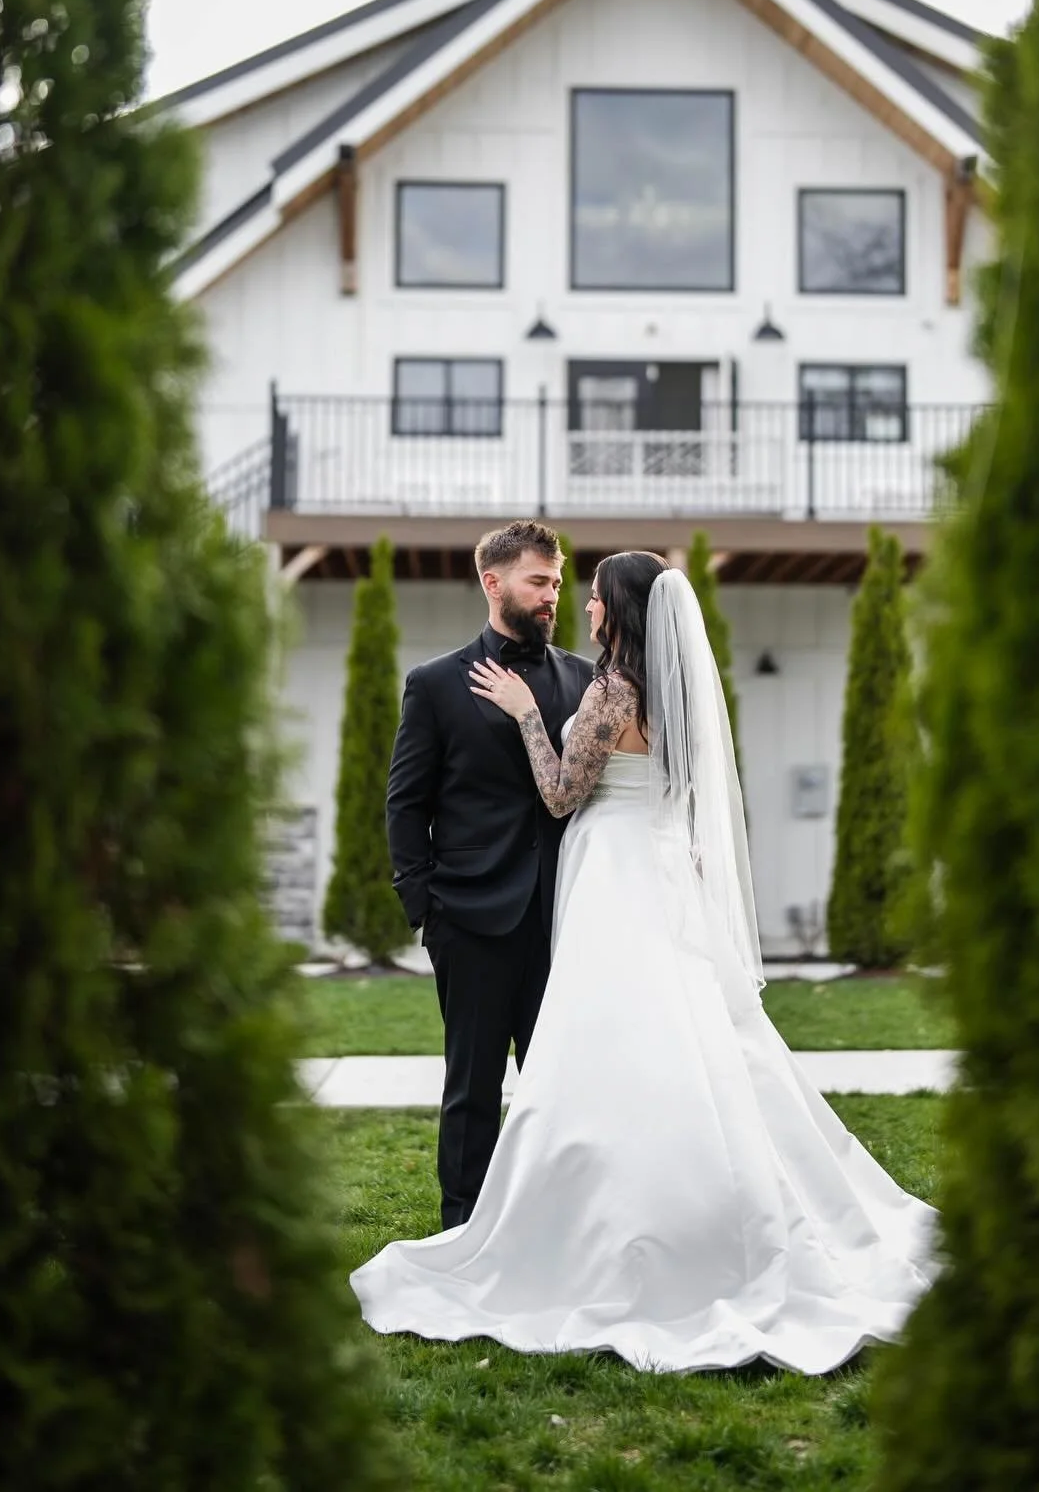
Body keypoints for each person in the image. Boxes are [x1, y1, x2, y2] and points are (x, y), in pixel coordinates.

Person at [354, 551, 937, 1375]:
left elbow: (560, 793)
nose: (580, 608)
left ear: (619, 610)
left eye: (590, 597)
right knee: (687, 1047)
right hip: (657, 877)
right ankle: (700, 1212)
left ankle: (605, 1225)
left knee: (606, 1053)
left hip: (613, 884)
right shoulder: (679, 694)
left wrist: (525, 711)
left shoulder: (607, 688)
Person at [386, 519, 594, 1230]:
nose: (551, 596)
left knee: (558, 1087)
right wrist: (425, 907)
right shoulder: (435, 684)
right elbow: (406, 803)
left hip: (560, 922)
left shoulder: (584, 680)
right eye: (539, 581)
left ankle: (554, 1226)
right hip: (469, 920)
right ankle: (463, 1231)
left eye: (558, 583)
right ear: (493, 581)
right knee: (471, 1087)